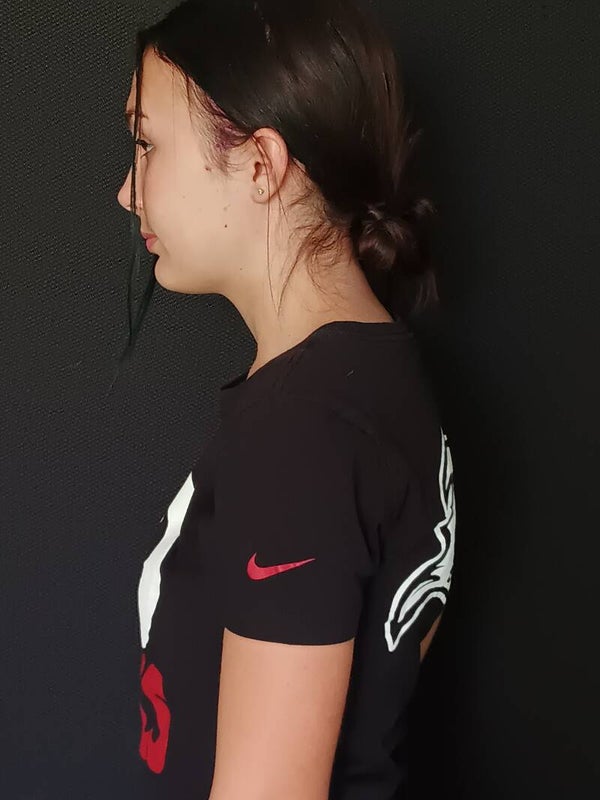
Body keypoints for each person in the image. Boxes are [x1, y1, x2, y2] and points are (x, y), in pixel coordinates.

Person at [115, 1, 457, 798]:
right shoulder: (372, 380)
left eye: (146, 142)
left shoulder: (303, 436)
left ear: (261, 164)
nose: (127, 193)